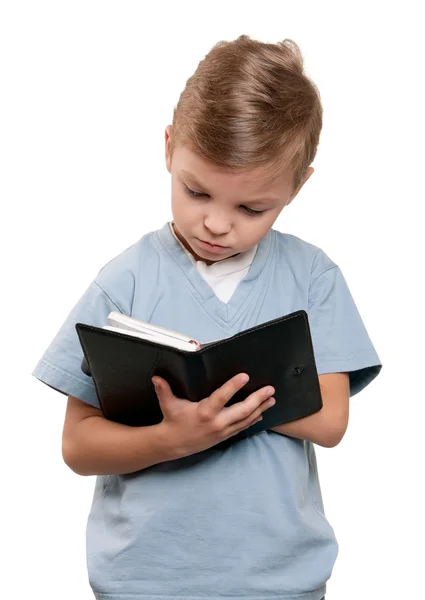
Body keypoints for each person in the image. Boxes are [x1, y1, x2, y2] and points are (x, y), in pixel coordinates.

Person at [32, 35, 382, 600]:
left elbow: (330, 419)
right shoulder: (126, 280)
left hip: (278, 581)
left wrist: (220, 393)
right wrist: (173, 438)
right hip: (144, 581)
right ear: (169, 148)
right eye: (196, 192)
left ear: (298, 187)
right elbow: (78, 445)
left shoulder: (312, 275)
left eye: (251, 208)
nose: (217, 225)